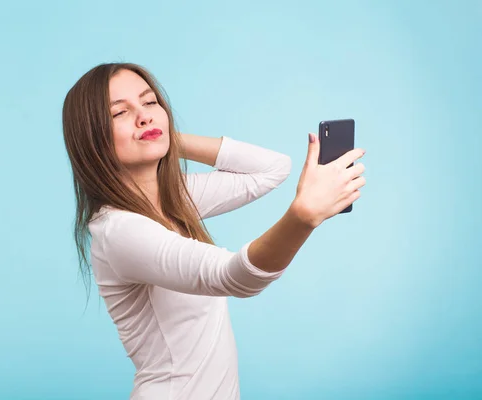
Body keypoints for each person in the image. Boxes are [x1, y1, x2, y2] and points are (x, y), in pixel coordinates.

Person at [61, 63, 366, 399]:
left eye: (150, 103)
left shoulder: (174, 199)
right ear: (92, 140)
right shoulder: (120, 231)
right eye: (120, 112)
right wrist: (301, 218)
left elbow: (271, 169)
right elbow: (233, 276)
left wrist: (166, 137)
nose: (144, 116)